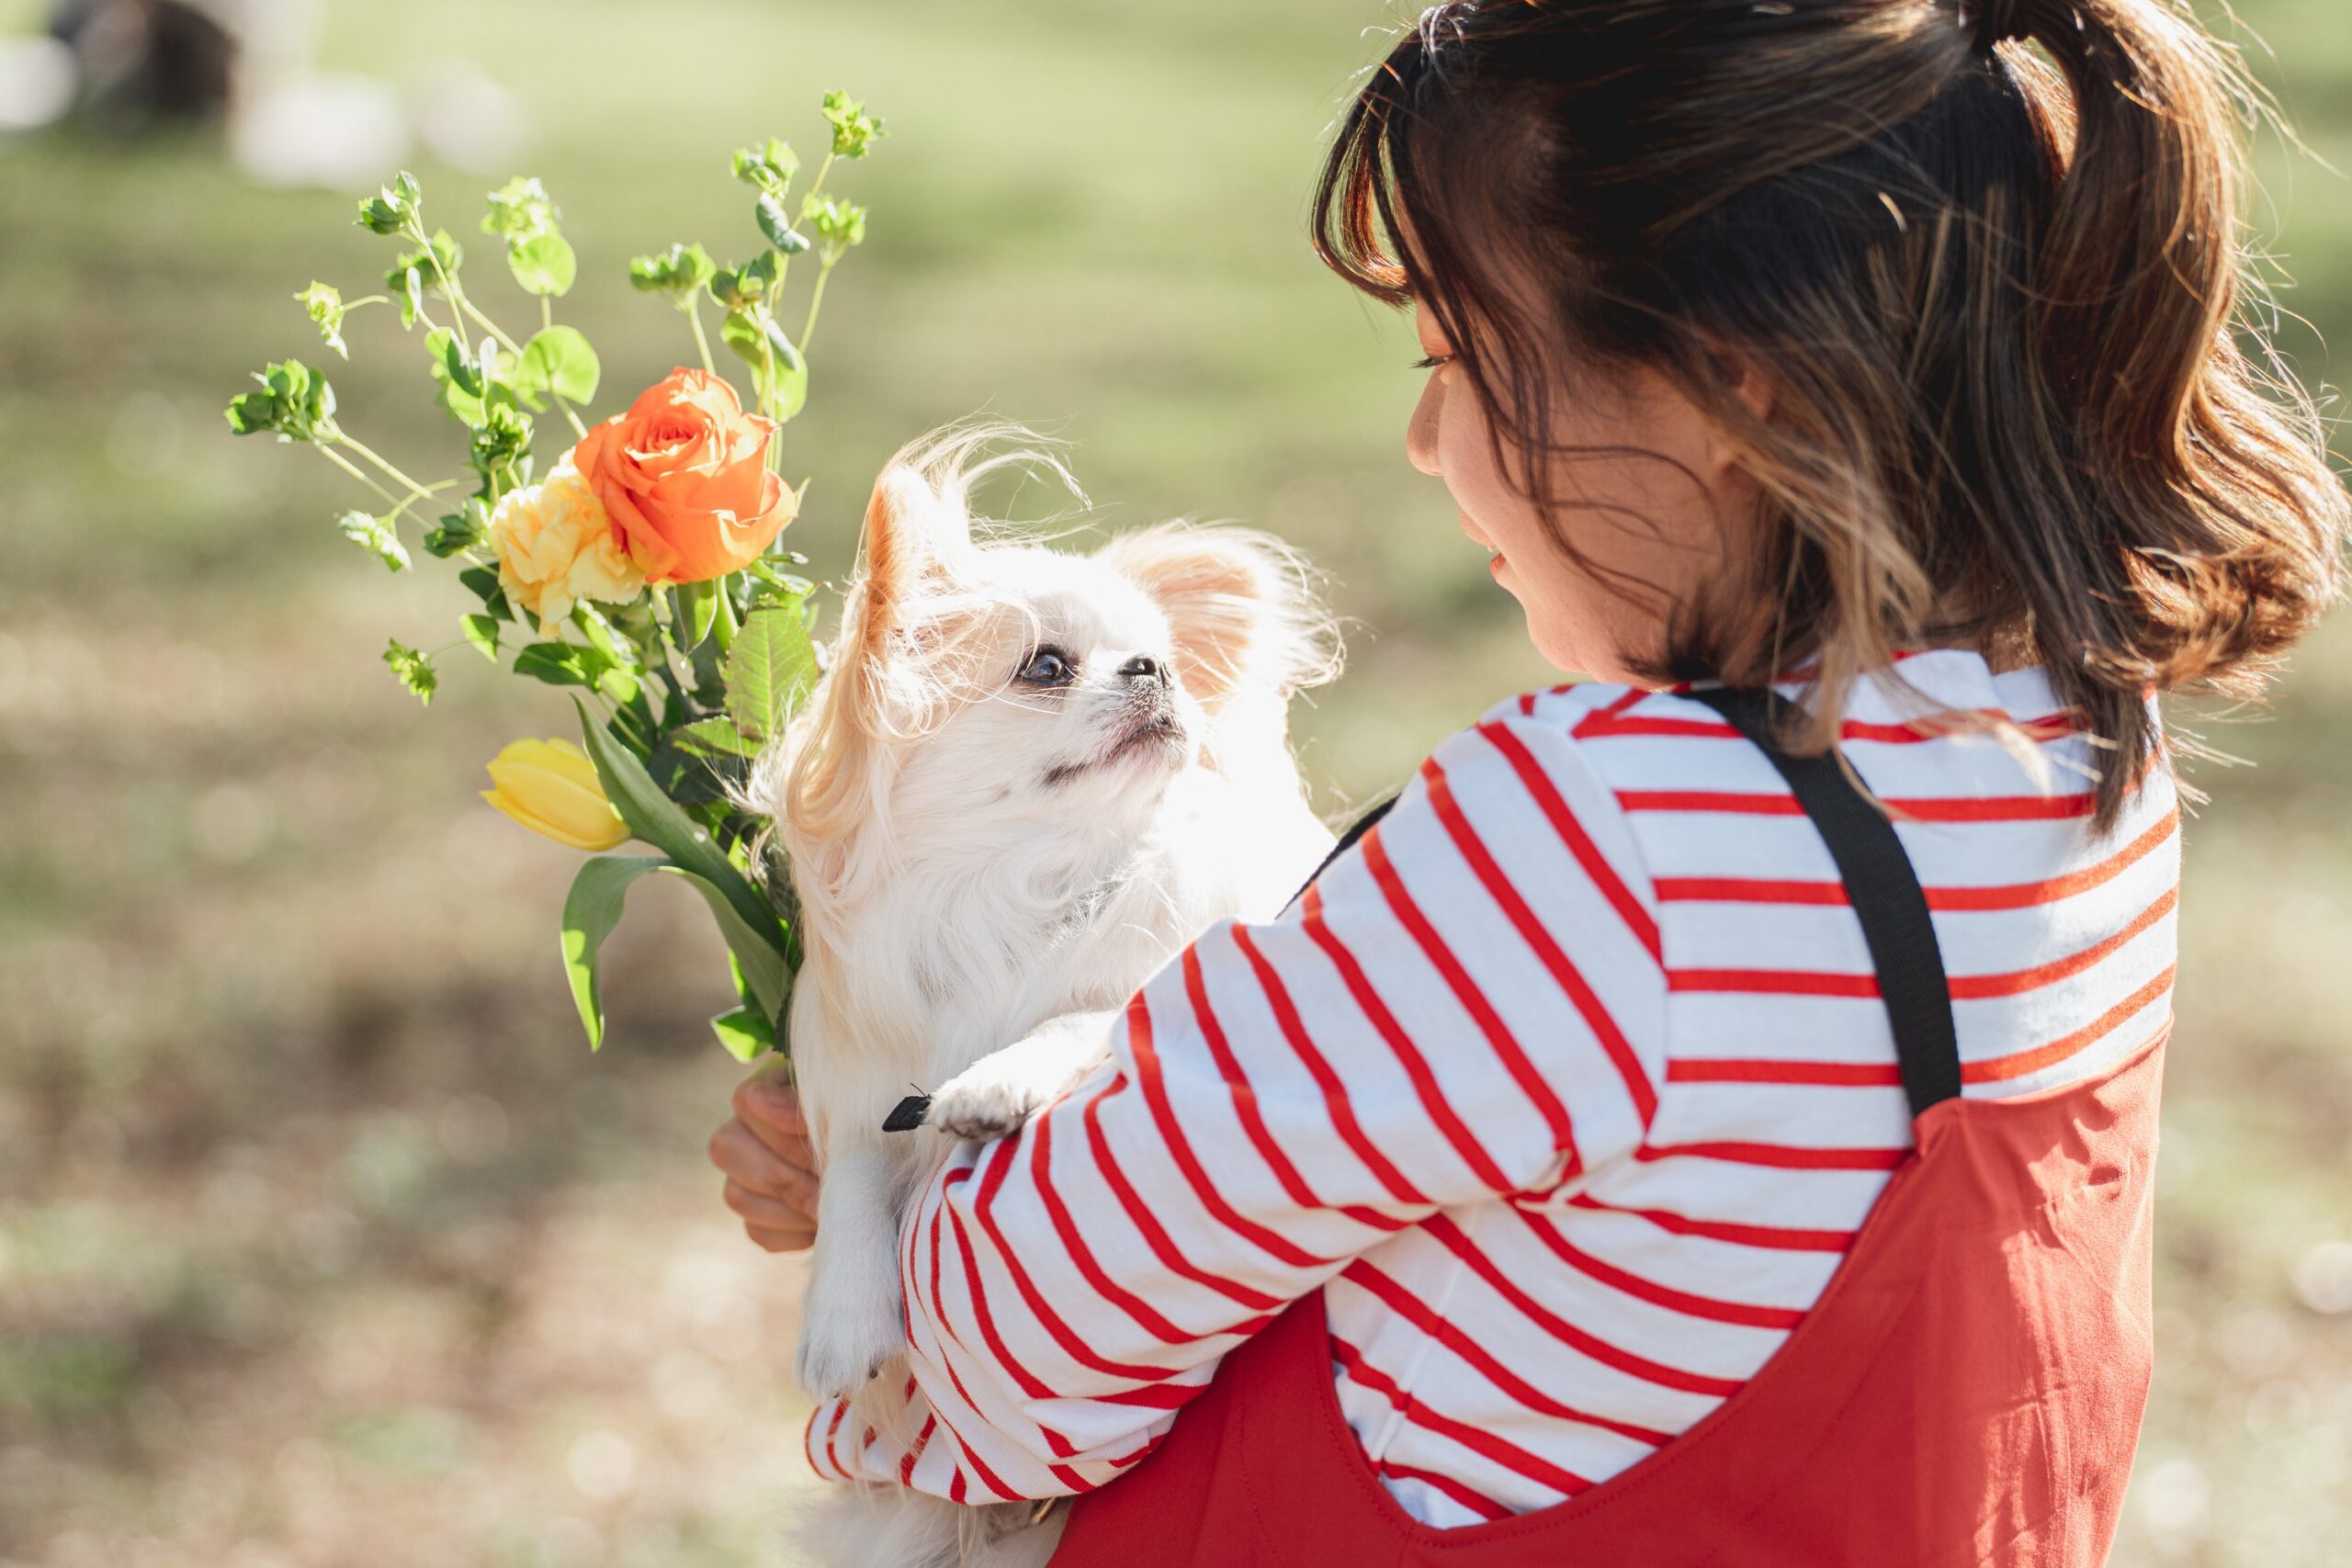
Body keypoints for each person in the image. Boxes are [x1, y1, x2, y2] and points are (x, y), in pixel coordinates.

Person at [709, 0, 2347, 1560]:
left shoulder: (1605, 841)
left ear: (1730, 387)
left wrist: (900, 1200)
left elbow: (1001, 1378)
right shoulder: (2078, 744)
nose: (1426, 445)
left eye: (1452, 356)